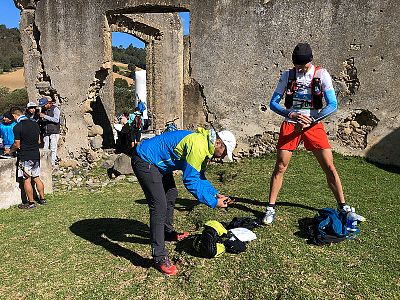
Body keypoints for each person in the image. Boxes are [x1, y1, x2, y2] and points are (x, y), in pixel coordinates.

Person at [262, 42, 354, 224]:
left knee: (329, 166)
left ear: (310, 61)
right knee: (280, 166)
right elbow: (273, 103)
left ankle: (343, 206)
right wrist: (291, 113)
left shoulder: (321, 74)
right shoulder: (287, 75)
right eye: (296, 65)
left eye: (302, 66)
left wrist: (311, 120)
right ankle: (270, 208)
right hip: (291, 123)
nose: (299, 69)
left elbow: (332, 104)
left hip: (313, 123)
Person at [131, 127, 236, 275]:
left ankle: (167, 233)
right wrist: (212, 202)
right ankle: (159, 256)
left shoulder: (205, 147)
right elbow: (190, 181)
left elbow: (199, 176)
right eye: (224, 153)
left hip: (158, 163)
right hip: (145, 159)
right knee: (159, 206)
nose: (222, 156)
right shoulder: (199, 146)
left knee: (171, 193)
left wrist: (215, 194)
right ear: (218, 142)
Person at [9, 107, 46, 209]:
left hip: (25, 156)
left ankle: (31, 203)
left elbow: (17, 144)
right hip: (35, 154)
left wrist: (10, 151)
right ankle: (42, 199)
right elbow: (39, 141)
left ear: (14, 115)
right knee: (37, 177)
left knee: (27, 179)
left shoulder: (17, 127)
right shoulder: (34, 124)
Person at [38, 97, 61, 166]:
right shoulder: (44, 110)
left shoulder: (55, 109)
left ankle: (52, 164)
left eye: (44, 105)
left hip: (54, 132)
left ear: (48, 103)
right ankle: (45, 163)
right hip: (46, 132)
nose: (43, 107)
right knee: (45, 148)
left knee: (53, 148)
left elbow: (56, 120)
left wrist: (45, 116)